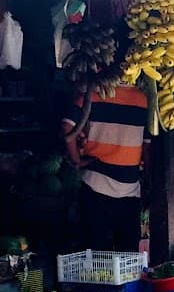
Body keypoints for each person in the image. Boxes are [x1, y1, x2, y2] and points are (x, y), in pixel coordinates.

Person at [62, 82, 148, 253]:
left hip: (95, 186)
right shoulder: (144, 100)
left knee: (96, 257)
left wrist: (77, 160)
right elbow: (147, 146)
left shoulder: (92, 94)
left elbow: (67, 126)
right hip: (129, 189)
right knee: (128, 256)